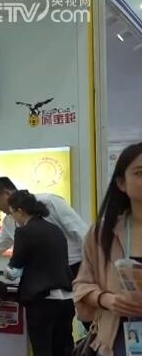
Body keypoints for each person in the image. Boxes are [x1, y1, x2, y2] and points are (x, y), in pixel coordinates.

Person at [74, 142, 142, 356]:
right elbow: (82, 285)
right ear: (121, 183)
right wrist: (106, 299)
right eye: (140, 173)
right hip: (117, 339)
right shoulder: (102, 233)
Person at [0, 176, 89, 277]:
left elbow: (82, 232)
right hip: (43, 277)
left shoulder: (49, 202)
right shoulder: (9, 222)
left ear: (7, 193)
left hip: (74, 268)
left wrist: (93, 266)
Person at [5, 190, 74, 356]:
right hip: (66, 299)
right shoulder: (56, 230)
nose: (13, 218)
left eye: (12, 214)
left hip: (42, 301)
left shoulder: (24, 232)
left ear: (20, 211)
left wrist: (7, 273)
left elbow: (14, 269)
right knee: (64, 347)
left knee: (42, 349)